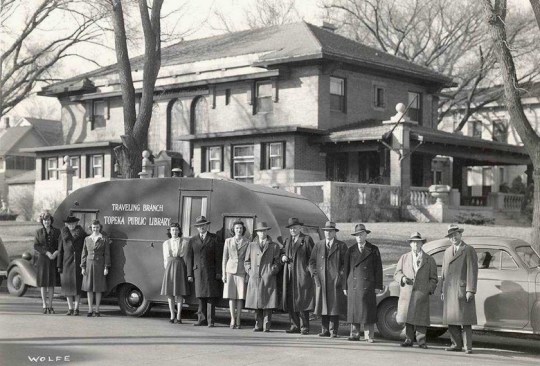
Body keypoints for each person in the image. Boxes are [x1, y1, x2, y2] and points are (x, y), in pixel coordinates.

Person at [394, 232, 438, 349]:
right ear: (410, 244)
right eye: (413, 242)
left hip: (421, 294)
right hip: (407, 293)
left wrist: (428, 289)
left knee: (421, 318)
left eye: (417, 242)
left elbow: (434, 278)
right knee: (408, 317)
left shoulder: (429, 260)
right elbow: (397, 273)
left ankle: (421, 341)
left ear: (421, 244)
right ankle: (408, 340)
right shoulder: (404, 258)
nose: (415, 244)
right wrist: (402, 278)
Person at [441, 224, 478, 354]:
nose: (453, 238)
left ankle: (468, 347)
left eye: (455, 234)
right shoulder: (447, 252)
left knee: (465, 319)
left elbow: (472, 271)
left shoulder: (468, 249)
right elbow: (444, 273)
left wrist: (470, 290)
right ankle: (456, 344)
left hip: (462, 290)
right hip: (449, 290)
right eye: (451, 236)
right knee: (451, 318)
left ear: (460, 235)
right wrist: (442, 290)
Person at [343, 223, 383, 343]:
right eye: (357, 235)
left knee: (368, 310)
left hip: (368, 285)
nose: (359, 237)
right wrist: (345, 286)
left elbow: (378, 269)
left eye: (361, 234)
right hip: (353, 285)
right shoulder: (350, 250)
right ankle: (354, 334)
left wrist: (378, 286)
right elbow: (346, 270)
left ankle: (369, 335)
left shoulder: (373, 249)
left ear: (366, 235)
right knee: (354, 310)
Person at [309, 221, 347, 338]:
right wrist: (315, 276)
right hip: (321, 280)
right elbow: (311, 262)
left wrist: (340, 275)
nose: (328, 233)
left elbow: (345, 264)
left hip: (335, 281)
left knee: (334, 306)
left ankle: (333, 331)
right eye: (326, 231)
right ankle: (324, 330)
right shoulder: (319, 245)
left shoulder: (341, 246)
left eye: (330, 231)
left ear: (335, 232)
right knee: (323, 305)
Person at [244, 222, 282, 332]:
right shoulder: (251, 245)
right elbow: (246, 261)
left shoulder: (274, 246)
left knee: (268, 302)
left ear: (267, 231)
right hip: (255, 277)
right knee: (256, 302)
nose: (262, 233)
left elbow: (278, 261)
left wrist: (272, 270)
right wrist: (250, 271)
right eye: (260, 231)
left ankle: (267, 325)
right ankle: (258, 324)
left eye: (264, 230)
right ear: (257, 232)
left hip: (268, 276)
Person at [281, 217, 315, 335]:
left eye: (295, 228)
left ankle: (304, 326)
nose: (293, 230)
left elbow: (312, 257)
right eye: (291, 228)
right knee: (290, 300)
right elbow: (282, 253)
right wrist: (283, 257)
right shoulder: (287, 240)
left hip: (301, 275)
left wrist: (308, 271)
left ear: (300, 228)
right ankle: (294, 325)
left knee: (302, 300)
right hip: (289, 275)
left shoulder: (306, 239)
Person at [187, 216, 222, 327]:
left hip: (210, 272)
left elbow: (218, 257)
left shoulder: (214, 238)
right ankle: (201, 320)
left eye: (203, 225)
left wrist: (218, 272)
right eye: (199, 226)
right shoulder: (192, 240)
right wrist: (189, 274)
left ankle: (211, 321)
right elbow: (189, 258)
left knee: (210, 296)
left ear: (207, 226)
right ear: (197, 228)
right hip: (198, 272)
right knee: (201, 296)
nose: (201, 227)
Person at [161, 223, 191, 324]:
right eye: (172, 230)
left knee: (179, 292)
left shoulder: (184, 242)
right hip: (169, 267)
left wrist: (185, 270)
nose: (174, 232)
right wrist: (168, 269)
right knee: (170, 293)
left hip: (180, 266)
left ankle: (178, 315)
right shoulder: (166, 243)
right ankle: (172, 314)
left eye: (176, 230)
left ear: (179, 231)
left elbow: (185, 257)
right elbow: (165, 259)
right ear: (170, 231)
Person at [222, 219, 250, 329]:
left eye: (241, 228)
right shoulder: (228, 241)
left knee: (240, 297)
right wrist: (224, 274)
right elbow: (225, 258)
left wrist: (247, 274)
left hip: (242, 271)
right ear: (233, 229)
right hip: (230, 271)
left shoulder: (247, 242)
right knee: (231, 297)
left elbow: (248, 259)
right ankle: (232, 318)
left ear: (243, 230)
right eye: (237, 228)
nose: (239, 230)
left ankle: (238, 318)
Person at [57, 215, 87, 316]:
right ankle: (70, 308)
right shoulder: (63, 234)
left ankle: (76, 308)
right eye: (69, 224)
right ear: (66, 224)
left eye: (73, 223)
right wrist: (59, 265)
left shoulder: (82, 234)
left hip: (79, 262)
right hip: (66, 262)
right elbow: (60, 250)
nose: (71, 225)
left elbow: (87, 245)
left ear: (76, 223)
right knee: (68, 287)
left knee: (77, 286)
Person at [81, 220, 111, 317]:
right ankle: (90, 309)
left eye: (97, 227)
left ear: (100, 228)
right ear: (91, 228)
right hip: (89, 265)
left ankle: (97, 310)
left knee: (98, 288)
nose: (95, 229)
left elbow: (107, 254)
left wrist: (106, 267)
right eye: (94, 227)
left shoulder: (104, 239)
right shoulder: (87, 239)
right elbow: (84, 254)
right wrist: (83, 267)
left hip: (100, 265)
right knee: (89, 288)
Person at [34, 210, 61, 314]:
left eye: (48, 220)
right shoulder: (38, 232)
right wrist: (47, 253)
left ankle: (50, 305)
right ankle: (44, 305)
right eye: (45, 220)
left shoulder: (57, 231)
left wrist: (56, 253)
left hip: (53, 259)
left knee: (51, 283)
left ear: (51, 221)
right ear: (42, 221)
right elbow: (36, 245)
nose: (47, 222)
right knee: (43, 283)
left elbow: (60, 244)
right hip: (43, 259)